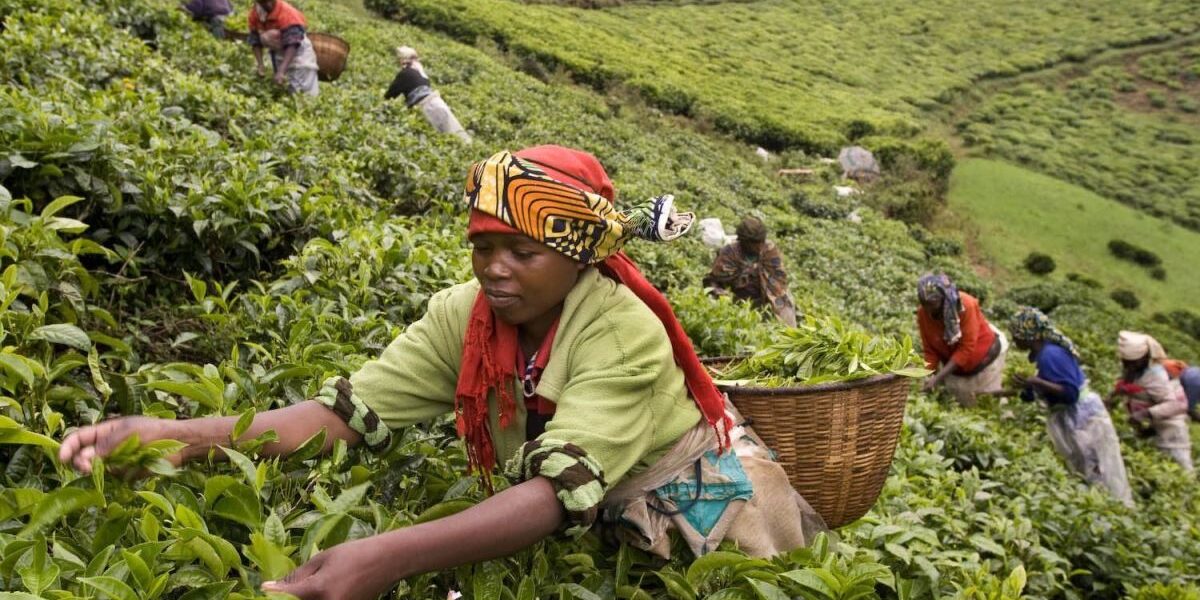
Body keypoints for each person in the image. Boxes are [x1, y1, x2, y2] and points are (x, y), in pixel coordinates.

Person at [59, 146, 825, 600]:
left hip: (702, 517)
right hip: (599, 510)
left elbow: (556, 495)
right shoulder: (468, 315)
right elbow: (340, 417)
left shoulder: (620, 329)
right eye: (482, 246)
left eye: (522, 253)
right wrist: (180, 435)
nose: (495, 269)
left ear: (579, 254)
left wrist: (385, 555)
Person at [1006, 308, 1133, 506]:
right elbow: (1033, 394)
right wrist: (1024, 386)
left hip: (1082, 417)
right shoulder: (1037, 356)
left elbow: (1070, 393)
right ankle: (1098, 507)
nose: (1014, 341)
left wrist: (1034, 382)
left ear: (1028, 335)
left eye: (1017, 335)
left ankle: (1115, 508)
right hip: (1068, 417)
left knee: (1099, 466)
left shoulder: (1051, 355)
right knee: (1083, 467)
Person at [915, 273, 1007, 407]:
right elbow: (930, 349)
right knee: (961, 403)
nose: (928, 309)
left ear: (944, 298)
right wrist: (924, 375)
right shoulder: (923, 314)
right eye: (923, 303)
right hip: (957, 365)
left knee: (986, 403)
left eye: (932, 304)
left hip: (985, 357)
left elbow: (966, 347)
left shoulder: (965, 305)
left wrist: (938, 378)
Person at [1111, 331, 1194, 473]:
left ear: (1145, 358)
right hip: (1155, 427)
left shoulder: (1157, 375)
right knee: (1159, 468)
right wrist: (1110, 399)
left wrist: (1143, 414)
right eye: (1127, 362)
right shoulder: (1135, 371)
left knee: (1181, 470)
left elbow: (1177, 405)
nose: (1130, 366)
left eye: (1134, 362)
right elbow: (1127, 386)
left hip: (1171, 431)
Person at [702, 216, 798, 326]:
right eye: (755, 243)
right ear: (744, 242)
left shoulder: (769, 250)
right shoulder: (730, 253)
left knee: (785, 310)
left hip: (770, 299)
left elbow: (779, 279)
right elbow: (714, 280)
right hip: (740, 300)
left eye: (761, 242)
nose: (759, 246)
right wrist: (724, 297)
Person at [384, 46, 472, 143]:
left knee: (439, 138)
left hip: (426, 106)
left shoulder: (405, 73)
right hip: (437, 102)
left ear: (402, 60)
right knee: (456, 134)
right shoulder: (420, 72)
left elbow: (390, 95)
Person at [248, 0, 319, 96]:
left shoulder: (287, 13)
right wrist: (260, 64)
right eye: (263, 2)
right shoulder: (256, 13)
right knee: (285, 91)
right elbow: (255, 40)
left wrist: (281, 71)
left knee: (303, 93)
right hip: (279, 53)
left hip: (299, 55)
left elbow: (293, 43)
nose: (268, 5)